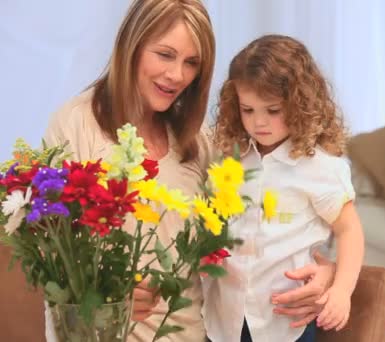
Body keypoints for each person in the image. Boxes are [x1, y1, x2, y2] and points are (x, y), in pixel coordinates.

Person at [42, 1, 335, 341]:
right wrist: (100, 287)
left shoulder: (201, 142)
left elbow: (265, 224)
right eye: (165, 55)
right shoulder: (76, 124)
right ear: (131, 46)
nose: (177, 75)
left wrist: (326, 271)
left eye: (191, 62)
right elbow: (49, 247)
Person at [205, 34, 365, 342]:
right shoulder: (230, 158)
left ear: (300, 103)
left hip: (284, 323)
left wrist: (341, 291)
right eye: (247, 110)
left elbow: (349, 231)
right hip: (226, 317)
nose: (258, 122)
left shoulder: (321, 167)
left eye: (273, 110)